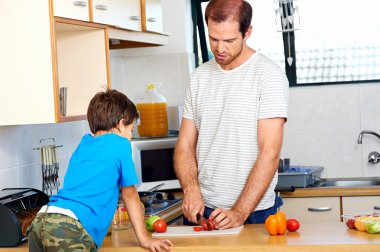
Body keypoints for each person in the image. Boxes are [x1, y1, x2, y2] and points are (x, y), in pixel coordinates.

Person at [174, 0, 289, 230]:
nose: (220, 48)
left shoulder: (268, 76)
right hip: (202, 211)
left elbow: (270, 152)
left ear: (247, 32)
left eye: (229, 40)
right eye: (213, 39)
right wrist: (191, 189)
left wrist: (239, 211)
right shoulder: (198, 78)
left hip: (254, 213)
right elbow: (185, 145)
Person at [28, 89, 173, 251]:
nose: (130, 136)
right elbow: (130, 193)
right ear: (121, 124)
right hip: (68, 228)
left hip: (42, 220)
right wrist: (145, 239)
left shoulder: (84, 144)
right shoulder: (120, 144)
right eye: (131, 130)